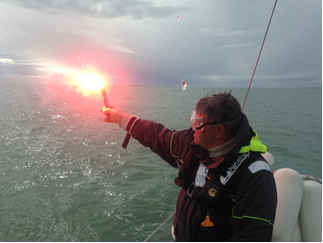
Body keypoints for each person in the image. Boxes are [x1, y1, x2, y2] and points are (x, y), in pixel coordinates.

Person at [102, 92, 277, 241]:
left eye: (197, 123)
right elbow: (157, 136)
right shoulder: (194, 145)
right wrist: (118, 117)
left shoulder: (256, 177)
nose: (192, 129)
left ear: (218, 131)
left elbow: (254, 236)